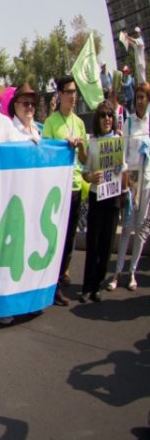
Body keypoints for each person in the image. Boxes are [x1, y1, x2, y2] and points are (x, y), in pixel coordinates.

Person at [42, 75, 89, 306]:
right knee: (55, 236)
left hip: (76, 185)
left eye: (74, 92)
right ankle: (52, 283)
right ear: (59, 94)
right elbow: (46, 154)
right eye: (68, 91)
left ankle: (61, 275)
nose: (73, 95)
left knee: (70, 235)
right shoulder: (51, 122)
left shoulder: (79, 122)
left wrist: (79, 146)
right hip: (57, 189)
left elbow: (85, 157)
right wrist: (63, 146)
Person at [81, 104, 123, 303]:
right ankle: (87, 286)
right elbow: (85, 171)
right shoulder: (94, 143)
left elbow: (124, 171)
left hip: (112, 198)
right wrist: (91, 176)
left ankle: (98, 284)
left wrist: (119, 170)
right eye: (103, 115)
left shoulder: (118, 141)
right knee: (93, 242)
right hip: (97, 196)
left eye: (110, 115)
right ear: (97, 119)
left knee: (106, 244)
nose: (107, 119)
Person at [111, 82, 150, 291]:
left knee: (141, 229)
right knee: (127, 226)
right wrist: (126, 177)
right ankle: (117, 272)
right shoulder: (129, 123)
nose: (140, 101)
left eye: (144, 97)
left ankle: (132, 271)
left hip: (147, 180)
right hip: (132, 178)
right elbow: (122, 154)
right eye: (138, 97)